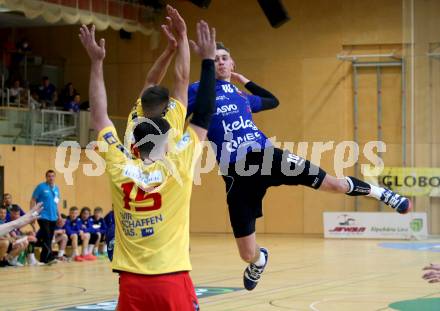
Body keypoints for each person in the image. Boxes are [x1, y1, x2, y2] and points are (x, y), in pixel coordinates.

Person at [186, 42, 414, 291]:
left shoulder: (241, 96)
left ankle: (385, 194)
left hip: (266, 156)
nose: (220, 61)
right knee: (246, 253)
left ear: (232, 64)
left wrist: (246, 81)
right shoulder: (198, 91)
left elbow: (273, 101)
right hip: (236, 174)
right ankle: (259, 260)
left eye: (225, 58)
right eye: (215, 58)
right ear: (208, 63)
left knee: (333, 184)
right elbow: (174, 111)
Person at [79, 5, 216, 309]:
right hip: (170, 274)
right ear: (166, 136)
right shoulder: (177, 165)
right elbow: (196, 100)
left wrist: (96, 63)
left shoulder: (121, 154)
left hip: (131, 279)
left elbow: (99, 117)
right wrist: (193, 49)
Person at [31, 170, 61, 264]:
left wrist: (59, 216)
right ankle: (50, 257)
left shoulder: (56, 189)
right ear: (46, 177)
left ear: (54, 177)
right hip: (43, 216)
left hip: (53, 217)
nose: (51, 178)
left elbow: (56, 204)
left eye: (52, 176)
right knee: (47, 236)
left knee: (49, 237)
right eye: (49, 176)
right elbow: (33, 200)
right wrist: (33, 215)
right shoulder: (41, 187)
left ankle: (43, 258)